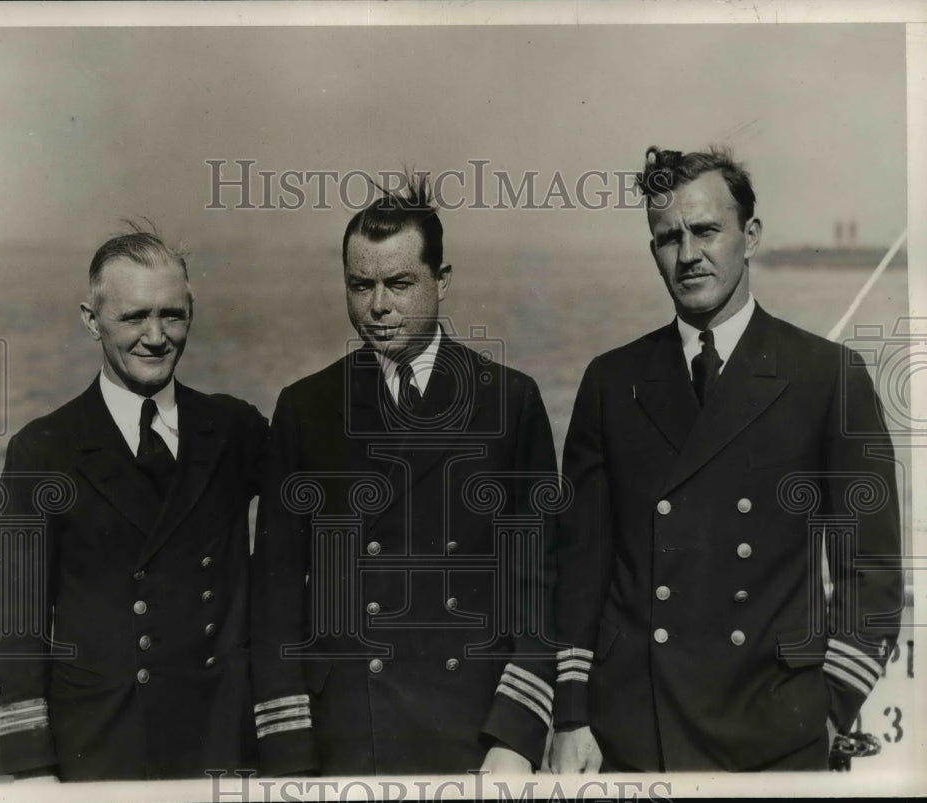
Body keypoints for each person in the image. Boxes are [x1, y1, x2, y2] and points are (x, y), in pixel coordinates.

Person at [549, 146, 903, 772]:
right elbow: (578, 574)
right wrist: (573, 715)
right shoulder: (611, 382)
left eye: (707, 230)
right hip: (635, 732)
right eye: (667, 238)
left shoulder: (828, 377)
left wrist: (826, 710)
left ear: (751, 235)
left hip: (775, 732)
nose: (688, 255)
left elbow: (870, 574)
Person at [250, 176, 559, 775]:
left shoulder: (509, 402)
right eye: (360, 285)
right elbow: (276, 599)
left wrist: (516, 738)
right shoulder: (307, 407)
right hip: (347, 737)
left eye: (399, 284)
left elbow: (539, 584)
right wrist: (288, 753)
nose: (378, 306)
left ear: (442, 281)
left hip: (473, 735)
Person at [0, 228, 269, 781]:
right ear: (91, 319)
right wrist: (32, 767)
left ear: (192, 311)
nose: (156, 337)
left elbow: (319, 502)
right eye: (134, 317)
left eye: (172, 315)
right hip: (99, 748)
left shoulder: (234, 429)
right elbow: (16, 622)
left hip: (219, 746)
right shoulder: (44, 449)